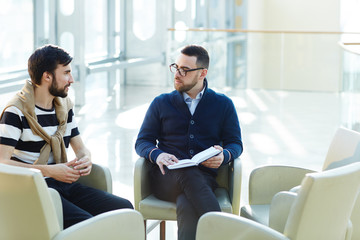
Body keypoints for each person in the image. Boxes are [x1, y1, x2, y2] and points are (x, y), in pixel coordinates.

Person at [0, 44, 133, 228]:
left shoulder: (64, 107)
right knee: (86, 224)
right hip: (34, 189)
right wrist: (49, 170)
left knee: (124, 209)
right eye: (66, 73)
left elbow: (80, 148)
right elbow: (2, 162)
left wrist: (86, 158)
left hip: (63, 183)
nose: (71, 79)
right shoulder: (16, 111)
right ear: (47, 76)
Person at [135, 45, 243, 240]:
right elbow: (142, 141)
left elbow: (235, 143)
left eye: (184, 70)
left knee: (186, 204)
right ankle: (225, 232)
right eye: (176, 67)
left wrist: (224, 156)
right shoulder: (161, 103)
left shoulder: (223, 104)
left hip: (202, 182)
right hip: (164, 179)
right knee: (186, 171)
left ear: (203, 73)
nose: (177, 74)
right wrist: (158, 154)